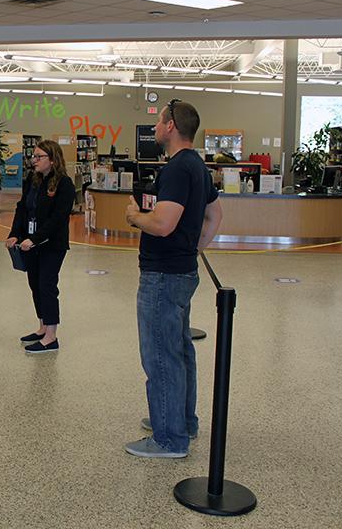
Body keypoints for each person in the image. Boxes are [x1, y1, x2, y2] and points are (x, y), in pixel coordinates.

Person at [124, 99, 222, 458]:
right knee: (179, 349)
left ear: (170, 126)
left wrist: (135, 216)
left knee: (161, 355)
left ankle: (168, 438)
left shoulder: (177, 169)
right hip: (181, 271)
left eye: (159, 121)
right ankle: (181, 421)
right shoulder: (197, 167)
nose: (154, 127)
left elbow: (163, 224)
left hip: (162, 275)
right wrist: (192, 250)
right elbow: (215, 216)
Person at [6, 139, 76, 354]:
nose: (33, 160)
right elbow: (22, 208)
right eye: (33, 156)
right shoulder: (32, 179)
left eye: (39, 157)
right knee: (35, 284)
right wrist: (15, 234)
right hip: (30, 243)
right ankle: (43, 327)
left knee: (47, 285)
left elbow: (58, 218)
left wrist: (36, 239)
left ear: (52, 160)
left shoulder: (64, 184)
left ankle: (51, 337)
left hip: (52, 245)